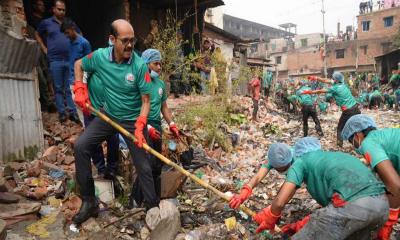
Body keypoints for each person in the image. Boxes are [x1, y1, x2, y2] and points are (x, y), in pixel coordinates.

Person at [72, 19, 154, 224]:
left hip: (133, 122)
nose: (129, 45)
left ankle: (153, 208)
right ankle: (89, 202)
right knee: (81, 146)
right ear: (112, 39)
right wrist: (80, 88)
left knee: (143, 166)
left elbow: (146, 101)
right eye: (124, 40)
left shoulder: (139, 66)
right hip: (107, 117)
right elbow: (78, 64)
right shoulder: (100, 57)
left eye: (132, 41)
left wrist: (141, 125)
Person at [253, 137, 389, 239]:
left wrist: (270, 219)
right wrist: (302, 224)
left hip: (353, 206)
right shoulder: (336, 156)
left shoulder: (301, 161)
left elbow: (280, 201)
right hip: (383, 207)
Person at [128, 49, 181, 208]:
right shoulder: (139, 82)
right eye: (155, 63)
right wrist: (147, 127)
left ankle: (155, 198)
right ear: (146, 64)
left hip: (156, 127)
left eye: (160, 63)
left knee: (157, 165)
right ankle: (136, 199)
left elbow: (164, 107)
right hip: (141, 126)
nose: (159, 67)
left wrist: (172, 124)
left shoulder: (160, 84)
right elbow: (135, 108)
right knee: (146, 165)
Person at [341, 114, 400, 240]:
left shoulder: (368, 143)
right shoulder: (384, 136)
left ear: (357, 135)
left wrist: (388, 222)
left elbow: (395, 185)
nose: (354, 146)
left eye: (352, 142)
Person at [35, 0, 80, 123]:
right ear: (54, 9)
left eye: (63, 10)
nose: (61, 12)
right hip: (55, 60)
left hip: (69, 59)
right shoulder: (46, 23)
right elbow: (37, 34)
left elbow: (79, 35)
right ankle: (62, 113)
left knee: (69, 88)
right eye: (59, 9)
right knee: (58, 88)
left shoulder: (69, 23)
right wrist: (44, 48)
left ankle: (72, 112)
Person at [229, 143, 293, 210]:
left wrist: (273, 210)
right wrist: (245, 192)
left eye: (284, 168)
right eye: (278, 168)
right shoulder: (274, 159)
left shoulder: (297, 163)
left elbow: (290, 189)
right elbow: (258, 176)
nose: (282, 171)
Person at [303, 72, 360, 147]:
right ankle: (362, 140)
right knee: (358, 126)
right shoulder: (342, 83)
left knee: (340, 129)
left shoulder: (334, 88)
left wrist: (310, 92)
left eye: (333, 78)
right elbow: (326, 80)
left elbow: (321, 91)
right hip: (356, 107)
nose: (331, 80)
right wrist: (316, 78)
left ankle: (340, 145)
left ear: (336, 80)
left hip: (348, 111)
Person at [27, 0, 57, 113]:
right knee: (42, 77)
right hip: (38, 50)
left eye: (43, 5)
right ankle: (48, 102)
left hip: (48, 50)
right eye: (41, 5)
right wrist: (43, 47)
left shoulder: (44, 21)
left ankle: (53, 97)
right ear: (35, 6)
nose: (43, 7)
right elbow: (35, 35)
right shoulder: (32, 22)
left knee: (50, 73)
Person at [60, 18, 91, 86]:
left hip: (82, 80)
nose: (66, 36)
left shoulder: (84, 43)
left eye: (67, 33)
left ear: (73, 28)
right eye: (65, 34)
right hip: (71, 79)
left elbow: (89, 63)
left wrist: (84, 80)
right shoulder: (68, 43)